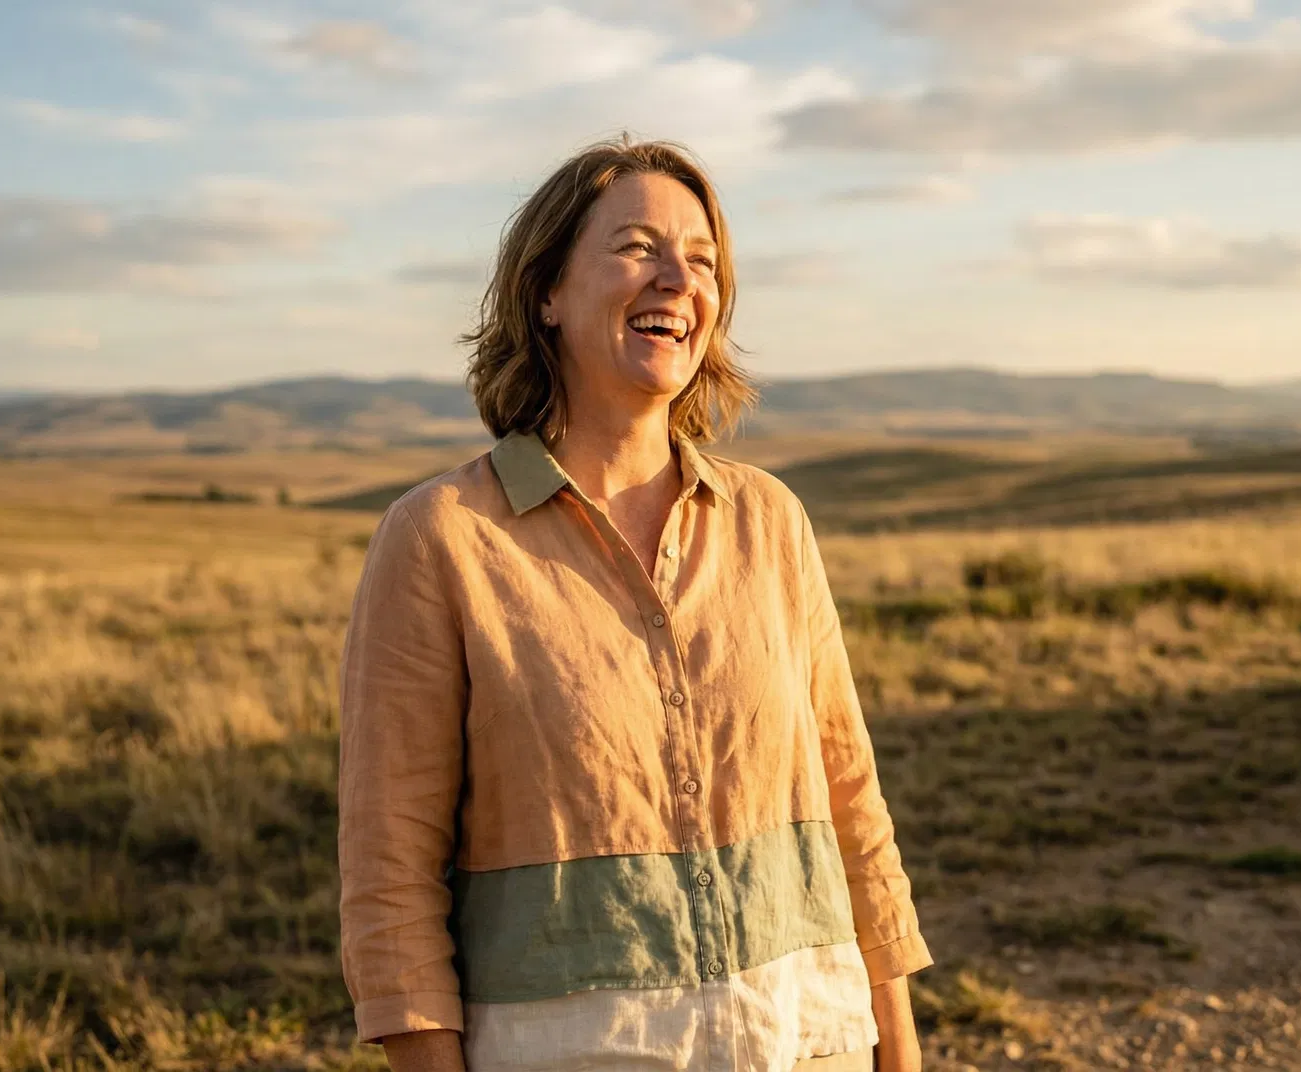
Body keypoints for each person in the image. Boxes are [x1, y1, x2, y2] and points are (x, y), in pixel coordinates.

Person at [336, 137, 933, 1072]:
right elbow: (390, 873)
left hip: (803, 1038)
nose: (675, 279)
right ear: (547, 293)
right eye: (636, 247)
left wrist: (895, 1039)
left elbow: (851, 799)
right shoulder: (440, 539)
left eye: (702, 260)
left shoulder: (770, 522)